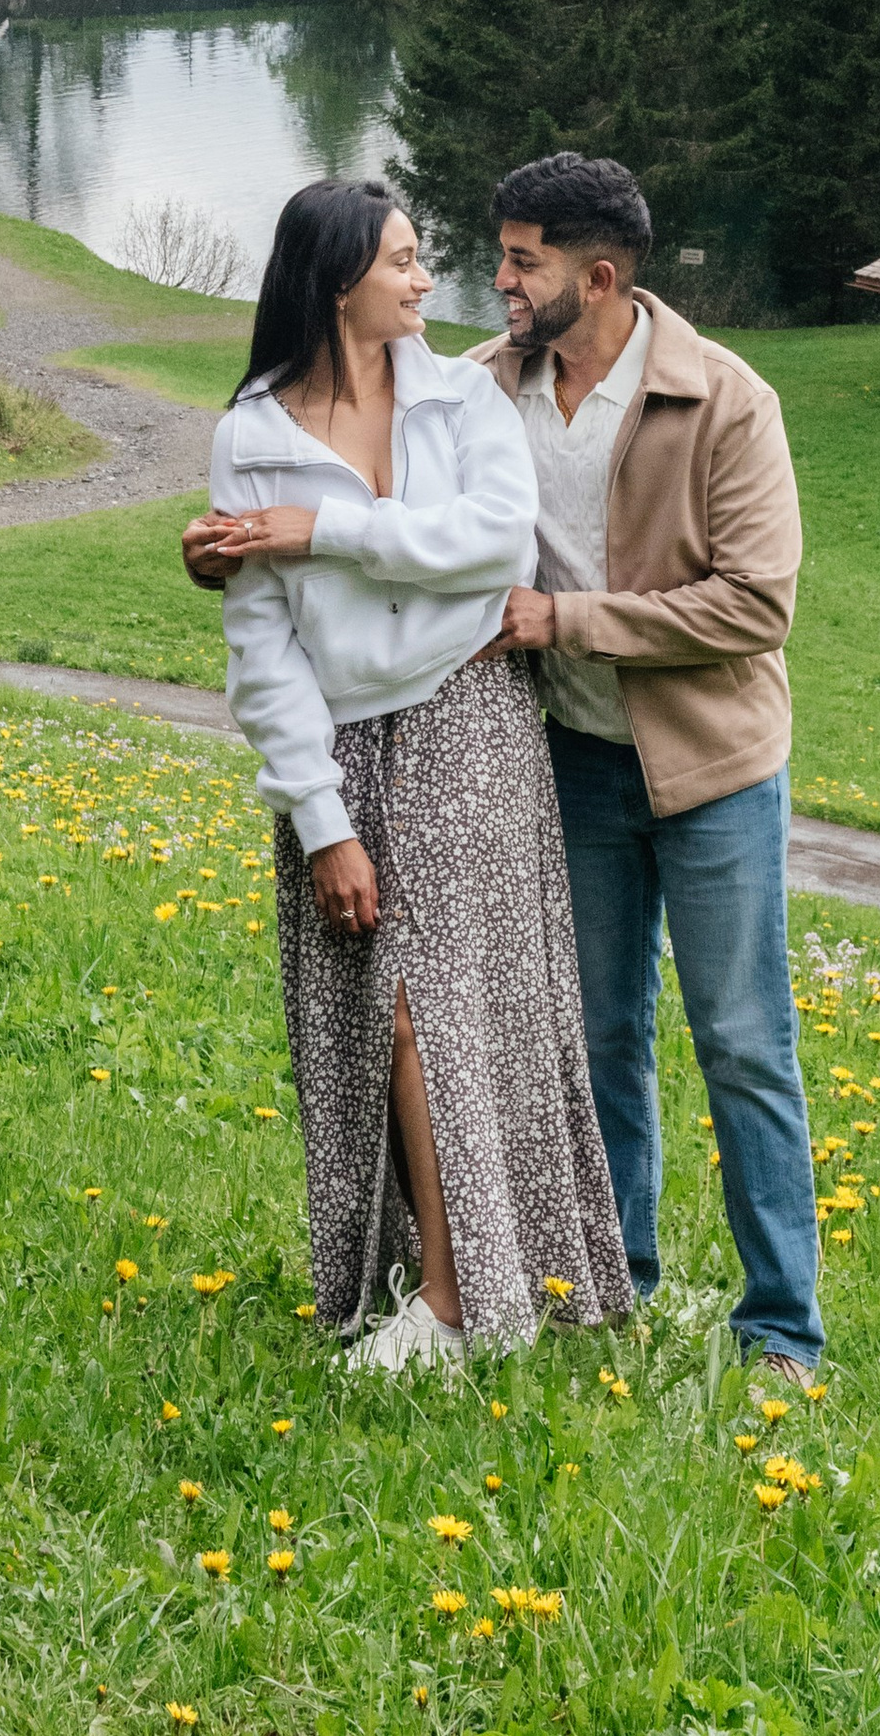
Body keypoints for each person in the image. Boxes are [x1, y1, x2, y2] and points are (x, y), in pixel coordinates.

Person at [182, 175, 632, 1374]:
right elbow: (261, 649)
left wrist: (318, 530)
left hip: (469, 722)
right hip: (340, 748)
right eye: (402, 260)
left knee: (428, 1000)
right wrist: (319, 818)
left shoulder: (460, 398)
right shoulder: (251, 435)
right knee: (372, 1015)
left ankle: (451, 1299)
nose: (428, 280)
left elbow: (493, 545)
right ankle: (449, 1276)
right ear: (339, 284)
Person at [478, 151, 820, 1377]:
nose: (502, 278)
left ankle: (780, 1328)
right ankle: (609, 1283)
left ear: (600, 275)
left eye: (525, 260)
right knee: (598, 1036)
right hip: (573, 760)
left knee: (740, 1041)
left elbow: (753, 606)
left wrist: (568, 620)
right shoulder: (482, 388)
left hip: (713, 772)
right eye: (503, 253)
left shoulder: (725, 401)